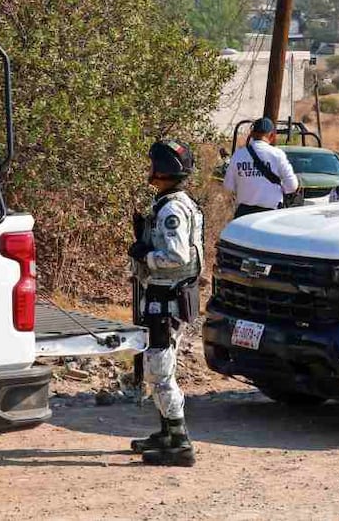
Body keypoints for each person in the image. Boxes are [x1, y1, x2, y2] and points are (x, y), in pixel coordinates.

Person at [127, 140, 204, 468]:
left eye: (152, 165)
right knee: (158, 365)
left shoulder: (172, 209)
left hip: (167, 298)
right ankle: (165, 432)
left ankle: (179, 440)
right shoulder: (173, 202)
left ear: (163, 170)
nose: (149, 170)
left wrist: (145, 255)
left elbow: (177, 256)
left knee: (159, 367)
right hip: (166, 295)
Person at [223, 117, 298, 218]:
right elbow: (292, 185)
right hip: (270, 214)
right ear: (272, 136)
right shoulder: (277, 154)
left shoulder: (238, 155)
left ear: (252, 134)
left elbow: (228, 186)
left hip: (244, 214)